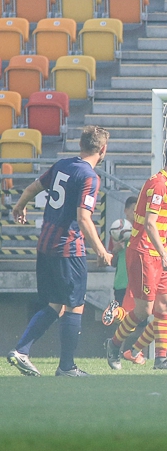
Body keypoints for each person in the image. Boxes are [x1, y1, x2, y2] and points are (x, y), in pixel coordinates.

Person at [6, 126, 113, 377]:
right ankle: (66, 367)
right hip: (68, 248)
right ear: (103, 149)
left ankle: (22, 350)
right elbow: (84, 218)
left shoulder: (62, 165)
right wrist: (101, 250)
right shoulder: (89, 177)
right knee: (75, 305)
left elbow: (32, 188)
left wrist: (19, 206)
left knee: (55, 304)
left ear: (80, 145)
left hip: (45, 246)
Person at [107, 142, 167, 371]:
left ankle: (161, 359)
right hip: (144, 252)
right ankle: (114, 344)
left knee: (165, 306)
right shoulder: (158, 185)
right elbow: (150, 224)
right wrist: (166, 256)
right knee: (144, 310)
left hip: (158, 255)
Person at [117, 211, 167, 368]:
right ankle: (123, 346)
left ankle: (134, 350)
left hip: (148, 264)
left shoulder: (156, 218)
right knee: (158, 312)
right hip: (162, 267)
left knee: (158, 312)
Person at [102, 195, 139, 327]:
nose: (136, 213)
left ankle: (116, 311)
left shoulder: (143, 231)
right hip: (123, 282)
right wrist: (116, 250)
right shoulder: (117, 231)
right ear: (126, 211)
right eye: (134, 210)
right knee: (127, 323)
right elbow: (111, 263)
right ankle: (116, 311)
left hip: (138, 282)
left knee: (137, 321)